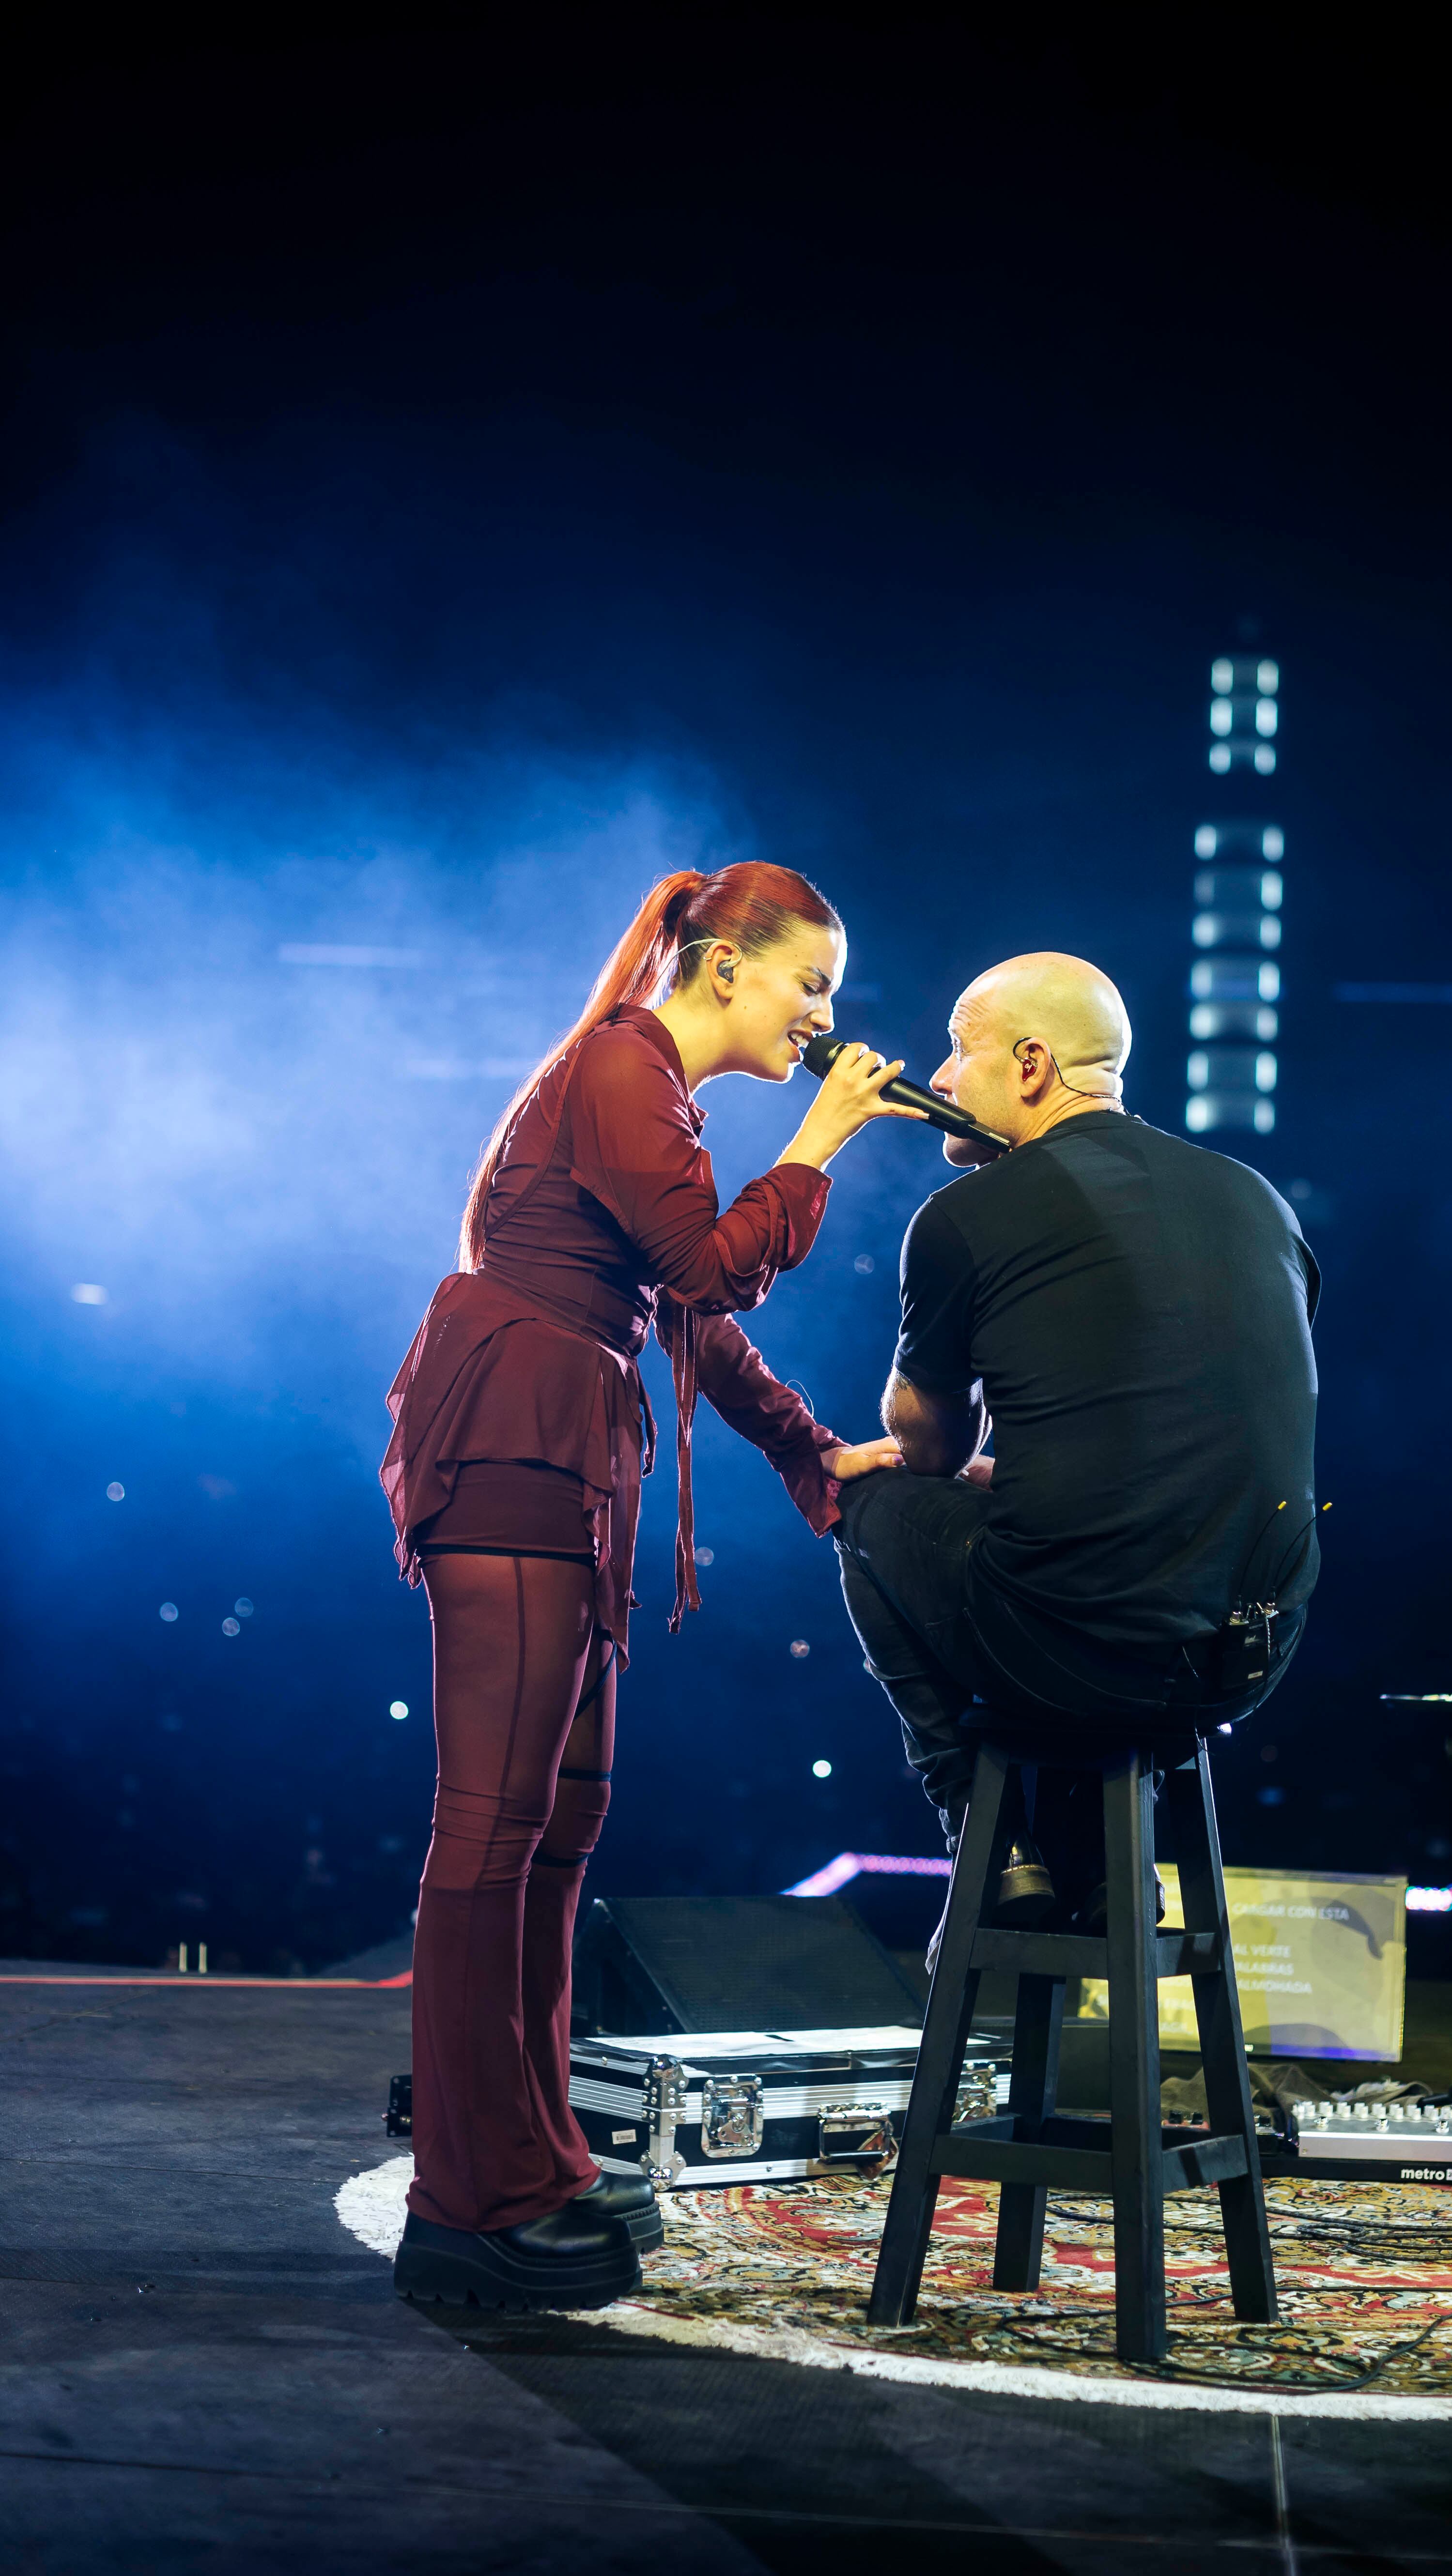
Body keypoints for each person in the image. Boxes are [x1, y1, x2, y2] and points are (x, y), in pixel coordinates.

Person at [380, 862, 915, 2311]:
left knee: (556, 1828)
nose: (823, 1014)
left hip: (567, 1457)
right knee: (492, 1832)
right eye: (812, 982)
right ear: (726, 968)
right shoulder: (624, 1070)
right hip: (512, 1446)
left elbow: (680, 1316)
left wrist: (815, 1451)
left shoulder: (642, 1093)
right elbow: (710, 1268)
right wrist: (821, 1139)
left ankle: (534, 2153)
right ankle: (465, 2201)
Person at [833, 950, 1320, 1955]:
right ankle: (1107, 1862)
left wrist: (927, 1441)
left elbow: (926, 1445)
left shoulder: (965, 1216)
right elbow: (1183, 1424)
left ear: (1030, 1064)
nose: (942, 1076)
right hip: (1246, 1657)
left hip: (1080, 1646)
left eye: (958, 1051)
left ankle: (986, 1825)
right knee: (1056, 1561)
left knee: (868, 1507)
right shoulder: (1257, 1199)